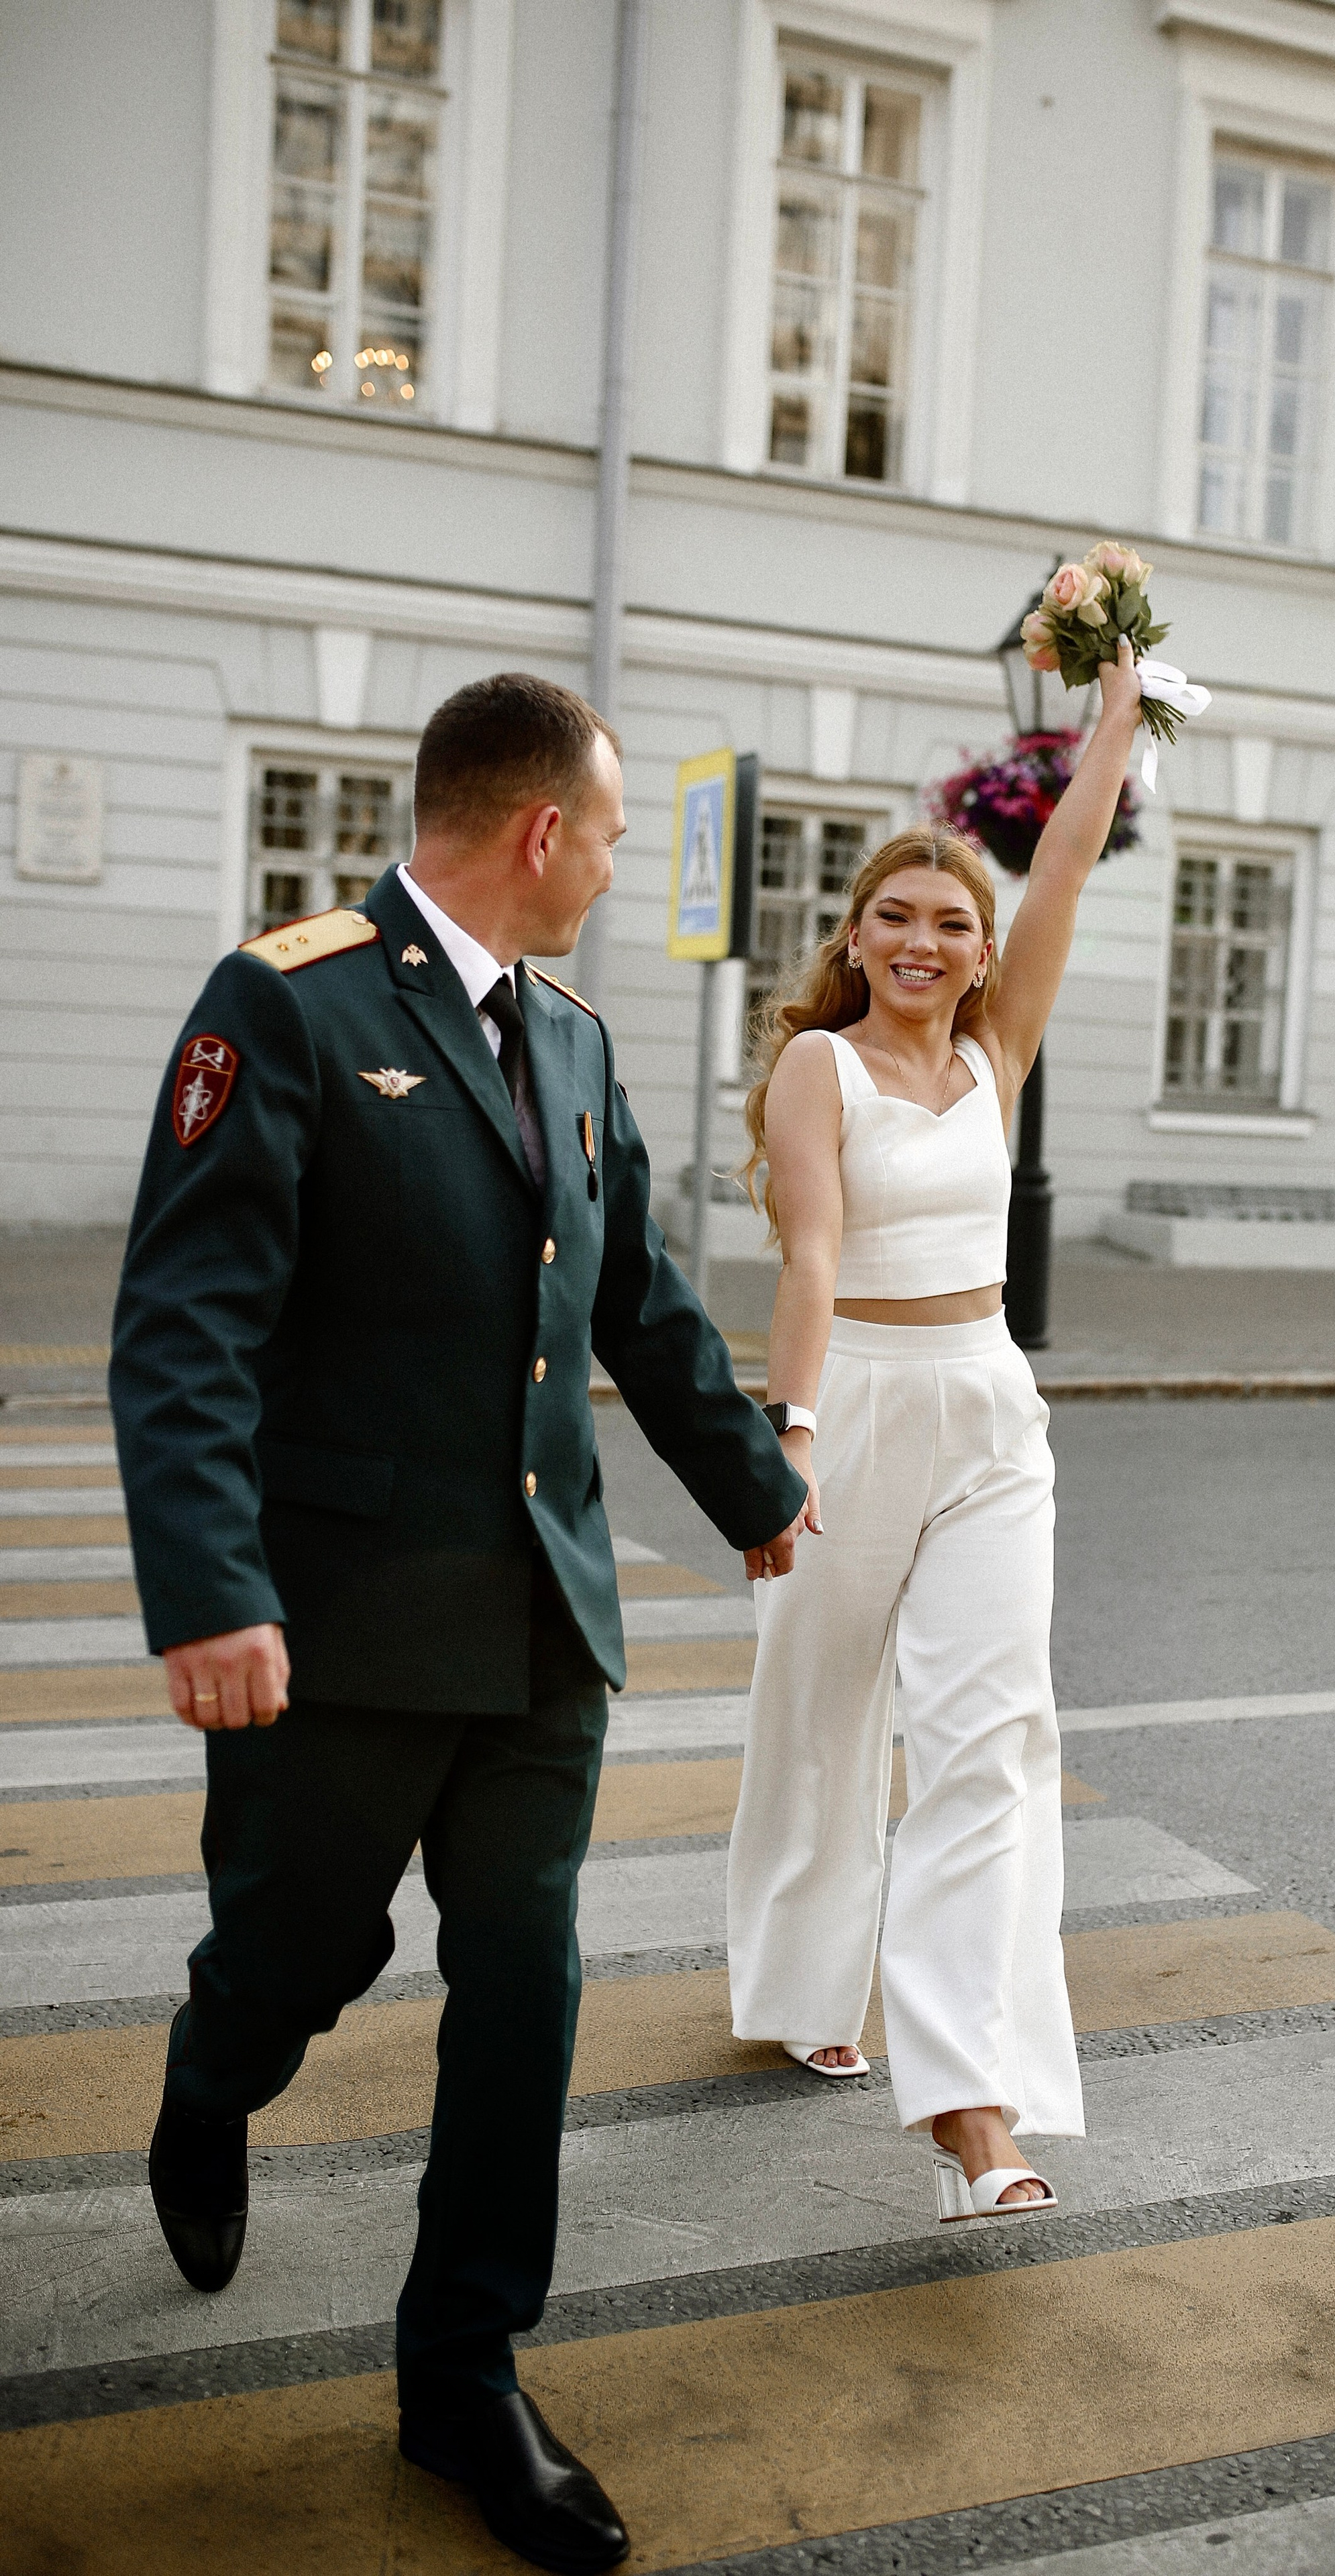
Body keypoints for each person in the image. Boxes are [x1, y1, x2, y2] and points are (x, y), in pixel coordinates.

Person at [109, 672, 806, 2576]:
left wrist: (760, 1494)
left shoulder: (571, 1039)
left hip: (535, 1633)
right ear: (541, 833)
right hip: (332, 1631)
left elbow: (645, 1303)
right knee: (296, 1953)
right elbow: (186, 1325)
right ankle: (210, 2076)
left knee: (528, 1991)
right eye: (606, 831)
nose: (607, 867)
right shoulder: (290, 999)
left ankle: (465, 2378)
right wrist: (211, 1592)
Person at [726, 639, 1144, 2221]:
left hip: (985, 1410)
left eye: (950, 922)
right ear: (854, 937)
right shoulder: (814, 1068)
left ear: (978, 957)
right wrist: (794, 1433)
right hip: (854, 1411)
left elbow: (1067, 873)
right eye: (893, 915)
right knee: (819, 1719)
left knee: (989, 1745)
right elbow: (814, 1255)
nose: (923, 938)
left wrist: (1111, 719)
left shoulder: (995, 1052)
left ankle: (972, 2111)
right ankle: (796, 1984)